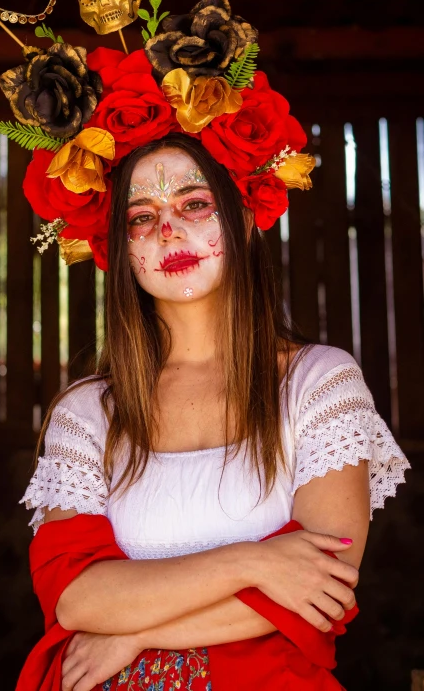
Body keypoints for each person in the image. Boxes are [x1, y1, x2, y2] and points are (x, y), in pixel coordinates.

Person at [20, 130, 409, 691]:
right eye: (141, 217)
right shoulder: (88, 412)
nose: (168, 229)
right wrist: (252, 562)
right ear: (122, 250)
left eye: (194, 204)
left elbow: (322, 590)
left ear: (243, 221)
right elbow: (76, 599)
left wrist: (132, 631)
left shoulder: (318, 384)